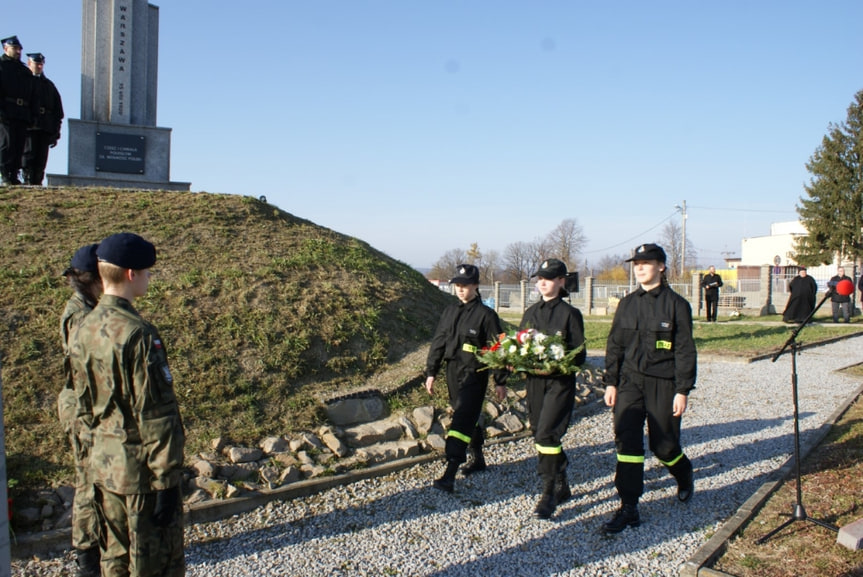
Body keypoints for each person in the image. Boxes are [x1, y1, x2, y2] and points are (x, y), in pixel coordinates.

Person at [68, 232, 185, 576]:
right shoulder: (138, 334)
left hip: (104, 470)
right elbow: (156, 415)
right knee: (153, 564)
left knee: (115, 560)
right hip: (140, 477)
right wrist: (166, 482)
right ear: (131, 274)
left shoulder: (84, 328)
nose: (149, 278)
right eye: (147, 272)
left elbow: (80, 403)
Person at [601, 243, 697, 534]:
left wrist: (682, 389)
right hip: (630, 383)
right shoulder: (627, 304)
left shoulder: (677, 305)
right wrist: (611, 382)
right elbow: (615, 345)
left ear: (661, 266)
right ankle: (629, 505)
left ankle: (683, 472)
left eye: (646, 262)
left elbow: (685, 350)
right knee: (627, 442)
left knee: (664, 446)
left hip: (663, 383)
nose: (639, 267)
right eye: (636, 263)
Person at [425, 264, 508, 493]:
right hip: (453, 371)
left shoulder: (487, 315)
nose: (460, 290)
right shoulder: (450, 311)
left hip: (475, 373)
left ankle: (450, 471)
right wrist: (431, 371)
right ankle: (478, 458)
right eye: (457, 286)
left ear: (475, 286)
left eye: (465, 285)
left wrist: (500, 380)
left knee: (462, 418)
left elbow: (499, 346)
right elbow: (439, 341)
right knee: (466, 414)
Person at [518, 258, 586, 519]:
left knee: (547, 435)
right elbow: (520, 343)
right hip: (535, 382)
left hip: (559, 383)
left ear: (561, 281)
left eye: (548, 278)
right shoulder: (531, 312)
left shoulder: (570, 315)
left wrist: (558, 362)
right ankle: (562, 478)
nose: (542, 282)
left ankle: (548, 494)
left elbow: (579, 355)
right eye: (540, 278)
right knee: (539, 432)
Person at [58, 244, 103, 577]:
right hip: (85, 409)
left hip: (87, 404)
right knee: (88, 484)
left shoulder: (87, 307)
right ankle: (87, 559)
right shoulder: (81, 315)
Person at [23, 52, 63, 185]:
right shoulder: (24, 82)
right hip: (29, 127)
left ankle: (37, 182)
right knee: (29, 157)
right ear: (29, 63)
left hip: (45, 127)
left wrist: (55, 132)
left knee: (41, 159)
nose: (39, 66)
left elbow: (58, 111)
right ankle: (28, 182)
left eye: (41, 64)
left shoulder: (49, 86)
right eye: (36, 63)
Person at [0, 35, 33, 185]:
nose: (18, 51)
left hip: (22, 112)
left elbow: (32, 94)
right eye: (15, 48)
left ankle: (14, 174)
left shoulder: (24, 71)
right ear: (6, 48)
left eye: (19, 49)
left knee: (19, 145)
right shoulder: (1, 66)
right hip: (6, 110)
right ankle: (5, 174)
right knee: (7, 144)